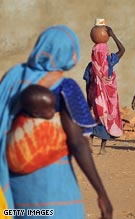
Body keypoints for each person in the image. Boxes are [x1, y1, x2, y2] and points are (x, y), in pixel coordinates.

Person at [0, 25, 112, 219]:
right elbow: (78, 143)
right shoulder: (65, 87)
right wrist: (102, 193)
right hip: (53, 186)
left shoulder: (12, 79)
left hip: (15, 184)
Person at [83, 25, 125, 155]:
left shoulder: (91, 66)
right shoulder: (110, 61)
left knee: (98, 118)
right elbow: (122, 50)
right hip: (108, 99)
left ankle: (90, 140)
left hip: (96, 97)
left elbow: (87, 83)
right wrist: (112, 35)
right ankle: (102, 148)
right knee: (107, 119)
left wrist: (89, 99)